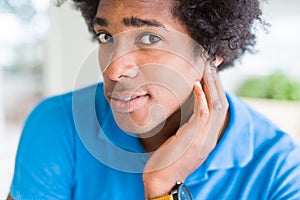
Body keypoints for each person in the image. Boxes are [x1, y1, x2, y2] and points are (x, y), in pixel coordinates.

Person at [7, 0, 300, 199]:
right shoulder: (59, 125)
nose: (113, 69)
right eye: (106, 36)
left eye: (149, 38)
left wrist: (164, 188)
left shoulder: (280, 170)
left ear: (211, 51)